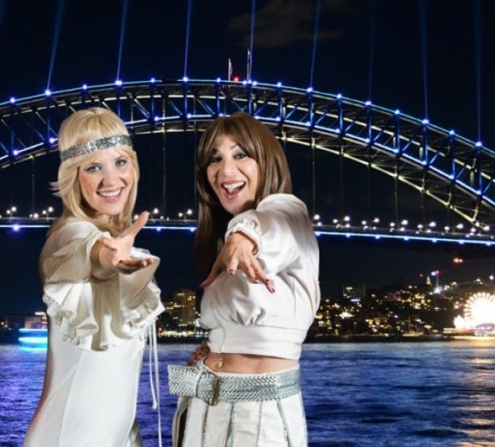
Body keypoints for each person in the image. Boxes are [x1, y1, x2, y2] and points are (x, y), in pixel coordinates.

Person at [168, 112, 320, 446]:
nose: (225, 171)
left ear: (268, 162)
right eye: (214, 159)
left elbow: (271, 224)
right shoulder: (223, 242)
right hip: (201, 410)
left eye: (240, 155)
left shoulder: (289, 214)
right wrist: (215, 346)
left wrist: (244, 237)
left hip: (258, 417)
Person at [24, 108, 164, 447]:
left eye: (120, 162)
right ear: (73, 176)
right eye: (93, 167)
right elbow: (89, 253)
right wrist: (108, 257)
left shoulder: (109, 234)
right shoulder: (69, 236)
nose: (111, 180)